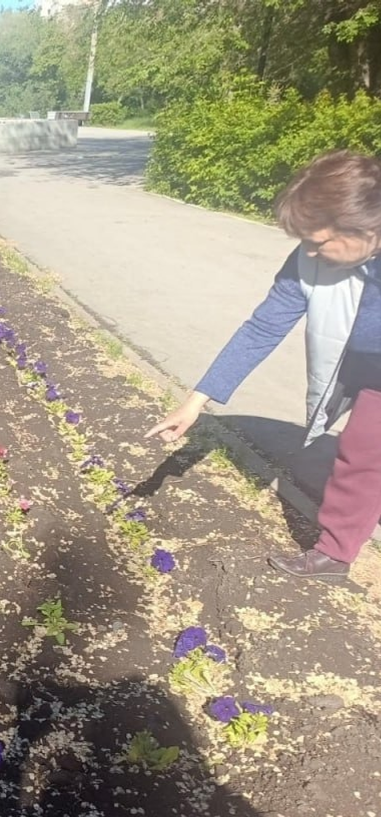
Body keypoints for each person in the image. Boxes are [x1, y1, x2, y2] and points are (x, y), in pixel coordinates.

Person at [147, 150, 381, 581]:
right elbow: (262, 328)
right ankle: (335, 552)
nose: (308, 252)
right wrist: (195, 401)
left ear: (364, 229)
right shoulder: (309, 262)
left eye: (318, 242)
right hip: (371, 369)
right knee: (362, 453)